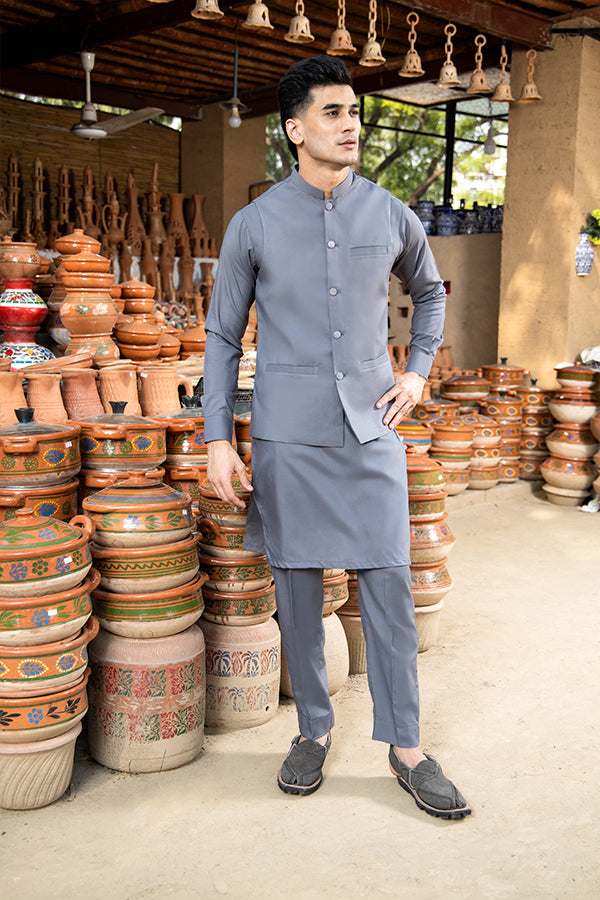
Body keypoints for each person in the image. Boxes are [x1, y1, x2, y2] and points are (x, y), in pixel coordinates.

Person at [202, 55, 470, 820]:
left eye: (354, 111)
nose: (350, 124)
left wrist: (416, 372)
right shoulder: (254, 224)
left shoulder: (388, 213)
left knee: (390, 582)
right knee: (297, 588)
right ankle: (313, 731)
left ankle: (407, 746)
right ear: (295, 129)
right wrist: (217, 437)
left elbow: (429, 293)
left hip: (372, 428)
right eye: (333, 112)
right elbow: (221, 335)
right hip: (287, 436)